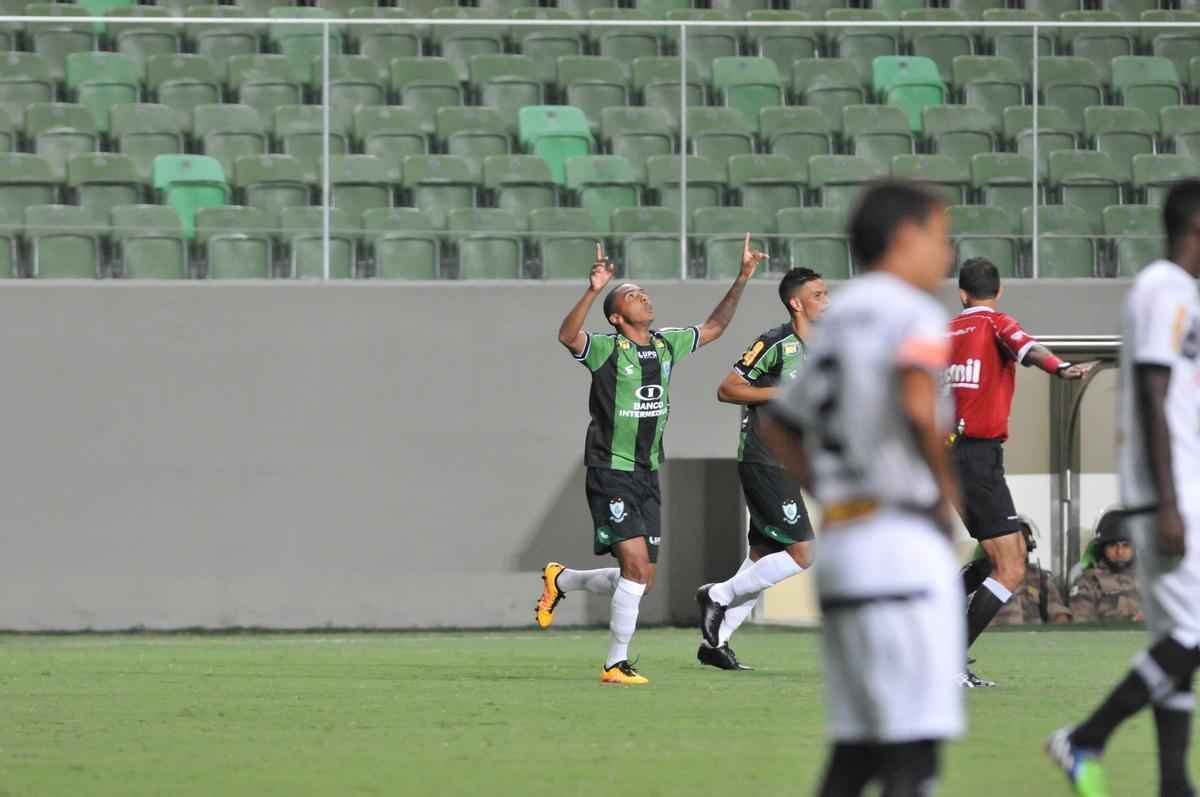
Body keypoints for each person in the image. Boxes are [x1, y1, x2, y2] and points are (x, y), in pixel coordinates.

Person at [757, 180, 964, 795]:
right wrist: (942, 496)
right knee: (912, 751)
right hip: (901, 541)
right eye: (940, 237)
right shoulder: (913, 311)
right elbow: (917, 400)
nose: (946, 254)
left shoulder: (839, 316)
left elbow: (779, 425)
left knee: (857, 749)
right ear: (906, 238)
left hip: (845, 543)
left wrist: (832, 490)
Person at [534, 237, 767, 686]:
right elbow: (568, 336)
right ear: (617, 316)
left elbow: (714, 327)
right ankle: (614, 664)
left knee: (639, 578)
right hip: (610, 468)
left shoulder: (665, 345)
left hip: (647, 472)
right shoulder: (606, 349)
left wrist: (742, 277)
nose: (642, 295)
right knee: (637, 570)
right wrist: (593, 290)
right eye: (631, 295)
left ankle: (562, 580)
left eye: (642, 291)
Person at [1047, 179, 1200, 797]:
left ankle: (1172, 782)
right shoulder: (1163, 289)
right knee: (1191, 637)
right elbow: (1151, 391)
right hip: (1167, 493)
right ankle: (1084, 738)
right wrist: (1168, 500)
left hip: (1178, 487)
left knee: (1177, 640)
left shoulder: (1181, 293)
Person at [948, 258, 1097, 687]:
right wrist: (1061, 368)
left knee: (1005, 552)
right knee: (1011, 568)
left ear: (961, 293)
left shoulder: (943, 334)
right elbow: (1029, 348)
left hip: (951, 455)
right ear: (999, 291)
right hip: (978, 456)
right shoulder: (994, 323)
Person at [696, 267, 830, 671]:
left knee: (762, 556)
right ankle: (716, 595)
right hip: (764, 457)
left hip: (793, 461)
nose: (828, 302)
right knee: (803, 552)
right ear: (797, 303)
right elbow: (727, 388)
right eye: (820, 295)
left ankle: (715, 643)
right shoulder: (775, 343)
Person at [988, 519, 1072, 626]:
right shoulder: (984, 581)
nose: (1019, 553)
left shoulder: (1041, 579)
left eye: (1023, 548)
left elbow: (1059, 614)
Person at [1070, 515, 1142, 624]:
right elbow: (1082, 625)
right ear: (1102, 548)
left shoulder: (1150, 579)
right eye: (1113, 545)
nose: (1119, 552)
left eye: (1126, 545)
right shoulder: (1088, 581)